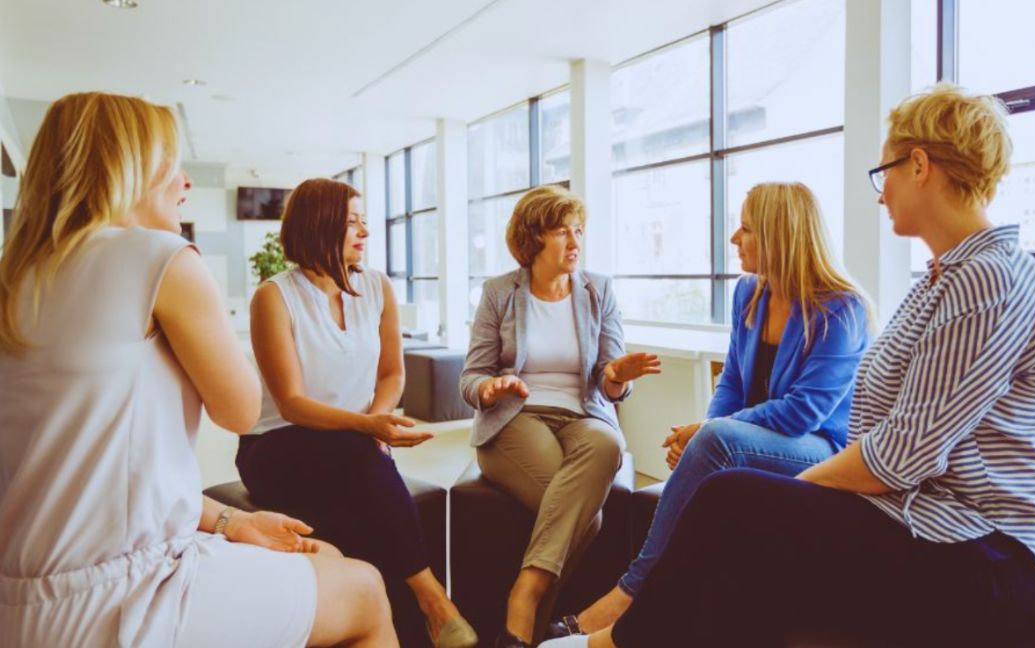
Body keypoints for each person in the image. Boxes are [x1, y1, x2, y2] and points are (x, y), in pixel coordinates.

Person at [541, 84, 1035, 648]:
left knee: (730, 499)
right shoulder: (941, 281)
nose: (880, 193)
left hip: (988, 551)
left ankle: (611, 640)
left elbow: (898, 454)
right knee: (738, 524)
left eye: (885, 172)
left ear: (920, 165)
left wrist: (791, 491)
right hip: (926, 521)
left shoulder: (988, 278)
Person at [0, 92, 397, 647]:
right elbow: (240, 408)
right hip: (126, 599)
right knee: (364, 589)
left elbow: (89, 473)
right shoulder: (158, 256)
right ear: (130, 169)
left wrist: (232, 522)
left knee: (325, 556)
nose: (185, 184)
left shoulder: (17, 277)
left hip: (24, 603)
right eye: (172, 165)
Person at [563, 182, 872, 637]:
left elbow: (803, 413)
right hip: (755, 440)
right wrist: (705, 432)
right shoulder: (749, 293)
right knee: (711, 444)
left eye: (745, 229)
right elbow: (731, 381)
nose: (734, 239)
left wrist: (708, 432)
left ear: (778, 235)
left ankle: (628, 596)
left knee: (714, 442)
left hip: (821, 451)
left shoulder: (841, 310)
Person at [237, 178, 477, 648]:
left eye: (363, 219)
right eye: (352, 221)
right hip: (276, 444)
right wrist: (369, 427)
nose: (365, 230)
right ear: (320, 225)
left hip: (351, 447)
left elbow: (392, 374)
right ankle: (432, 599)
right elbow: (291, 402)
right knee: (360, 461)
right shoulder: (274, 296)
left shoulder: (376, 287)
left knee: (361, 486)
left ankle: (395, 627)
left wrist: (377, 423)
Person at [460, 185, 662, 648]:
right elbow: (471, 377)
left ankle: (521, 608)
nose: (575, 242)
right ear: (532, 239)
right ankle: (529, 607)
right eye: (561, 231)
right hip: (517, 417)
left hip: (584, 414)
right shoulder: (499, 293)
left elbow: (608, 380)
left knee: (608, 444)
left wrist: (618, 377)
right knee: (583, 517)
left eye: (579, 231)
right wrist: (490, 388)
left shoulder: (598, 289)